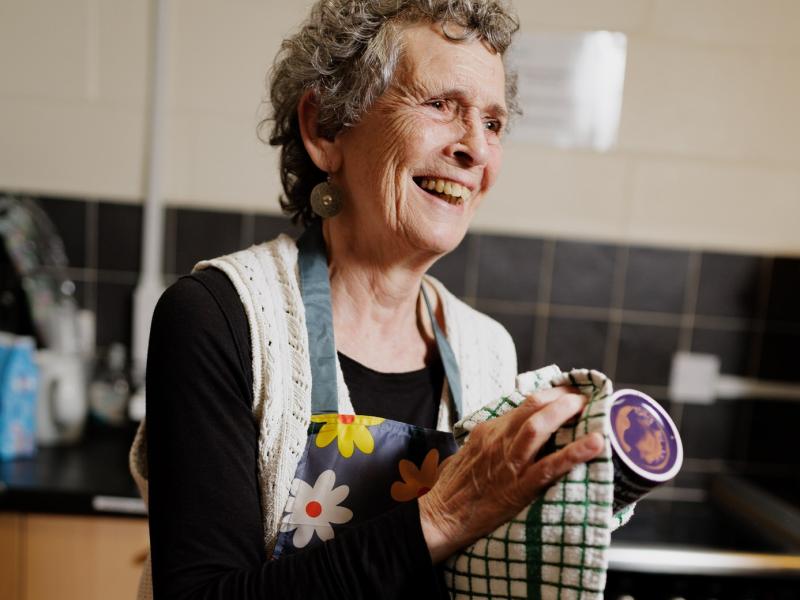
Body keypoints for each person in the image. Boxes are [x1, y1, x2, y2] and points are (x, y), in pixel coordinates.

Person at [130, 1, 605, 598]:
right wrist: (440, 517)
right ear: (326, 128)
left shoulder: (488, 350)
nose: (475, 150)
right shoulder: (219, 318)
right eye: (439, 105)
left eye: (493, 123)